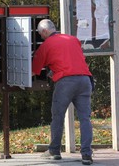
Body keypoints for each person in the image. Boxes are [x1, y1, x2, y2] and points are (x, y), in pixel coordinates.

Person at [32, 19, 93, 165]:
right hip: (85, 80)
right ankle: (86, 155)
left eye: (41, 34)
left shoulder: (46, 45)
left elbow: (35, 70)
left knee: (58, 117)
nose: (40, 37)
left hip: (66, 83)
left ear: (45, 31)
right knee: (85, 118)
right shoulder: (73, 39)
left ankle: (54, 151)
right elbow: (73, 59)